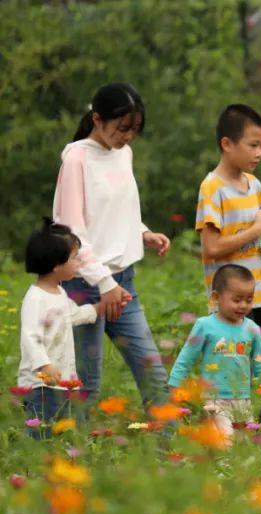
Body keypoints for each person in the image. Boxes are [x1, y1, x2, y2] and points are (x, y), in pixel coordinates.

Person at [53, 81, 170, 412]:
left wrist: (142, 232)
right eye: (122, 128)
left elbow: (117, 209)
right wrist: (104, 284)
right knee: (85, 386)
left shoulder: (124, 153)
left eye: (134, 129)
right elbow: (72, 232)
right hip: (84, 286)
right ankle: (66, 455)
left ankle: (169, 459)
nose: (128, 136)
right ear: (97, 120)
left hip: (122, 284)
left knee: (154, 376)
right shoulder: (76, 160)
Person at [195, 104, 261, 417]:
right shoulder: (212, 187)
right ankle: (230, 448)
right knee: (234, 386)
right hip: (231, 307)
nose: (258, 153)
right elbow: (212, 247)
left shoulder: (255, 185)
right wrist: (256, 229)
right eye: (252, 145)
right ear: (227, 144)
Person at [168, 265, 261, 441]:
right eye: (237, 299)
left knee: (244, 445)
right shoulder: (205, 325)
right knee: (224, 444)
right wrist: (174, 385)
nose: (243, 305)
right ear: (216, 297)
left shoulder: (252, 329)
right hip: (214, 401)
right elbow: (186, 358)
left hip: (243, 399)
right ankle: (219, 468)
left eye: (249, 300)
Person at [18, 220, 103, 438]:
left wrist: (98, 308)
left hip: (63, 382)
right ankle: (35, 468)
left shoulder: (60, 293)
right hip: (41, 385)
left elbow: (72, 315)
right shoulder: (36, 298)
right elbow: (30, 336)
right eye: (74, 257)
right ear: (56, 264)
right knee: (40, 433)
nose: (78, 263)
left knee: (61, 432)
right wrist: (44, 364)